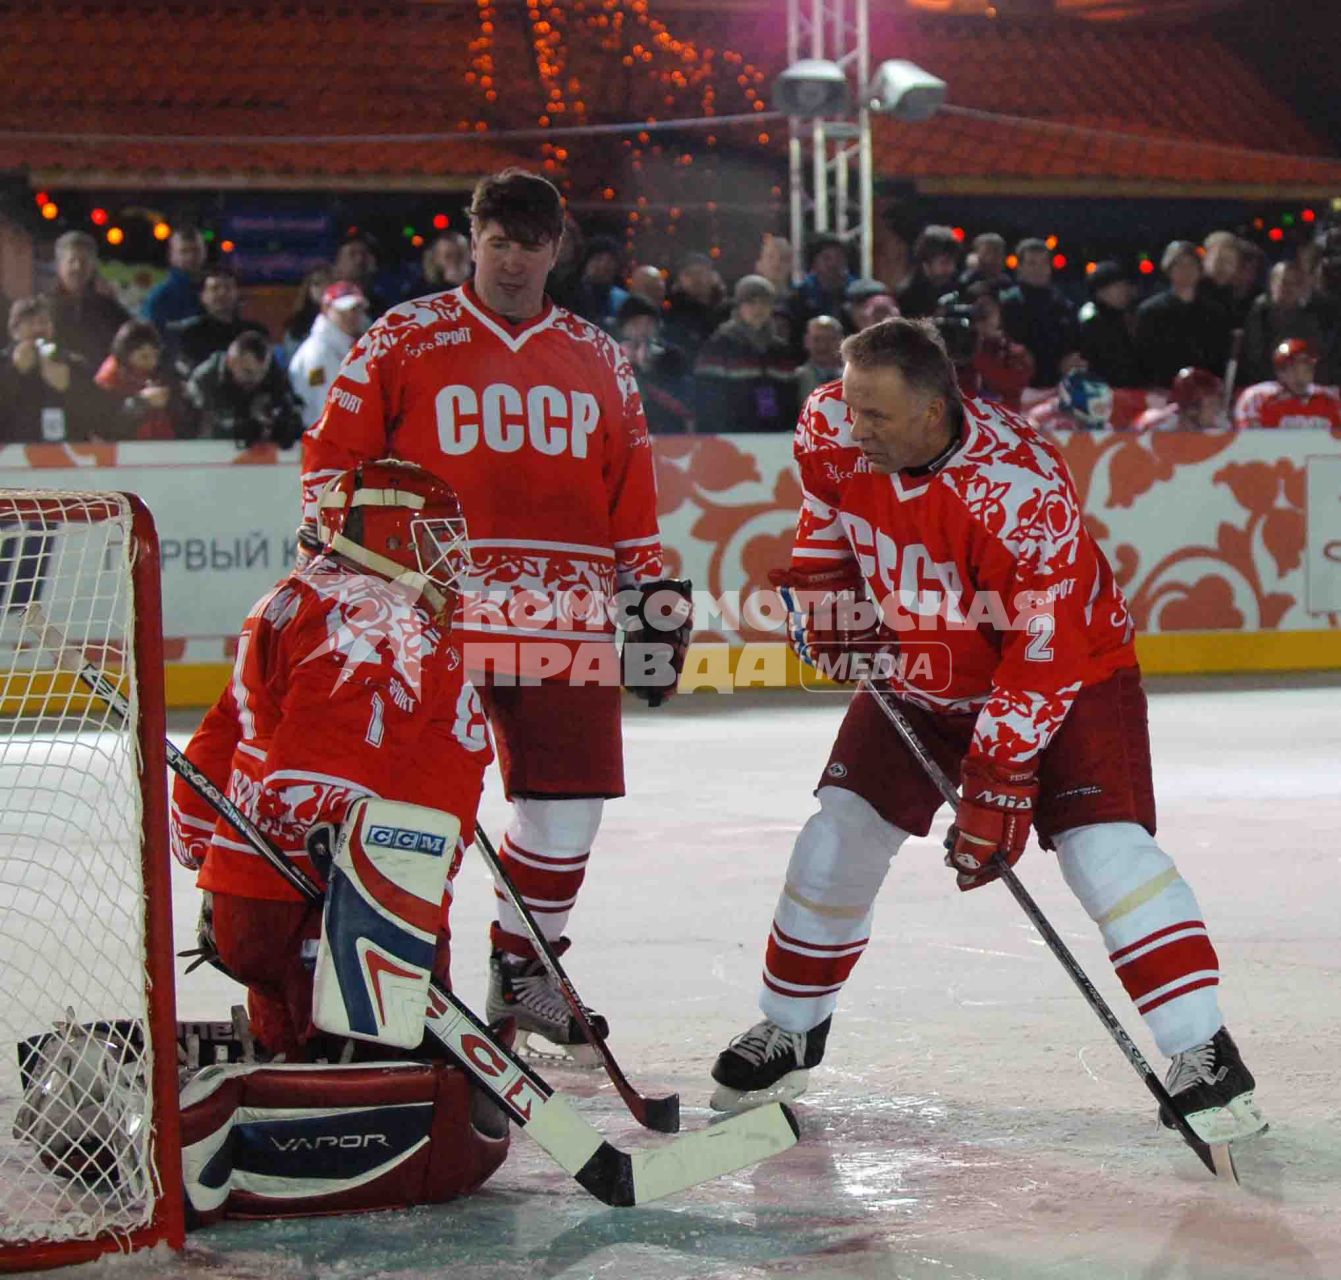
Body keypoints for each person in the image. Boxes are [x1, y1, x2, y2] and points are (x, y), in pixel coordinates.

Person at [708, 318, 1267, 1153]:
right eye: (850, 406)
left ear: (936, 411)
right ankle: (789, 1027)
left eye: (877, 417)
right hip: (921, 663)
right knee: (838, 833)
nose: (853, 428)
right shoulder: (832, 419)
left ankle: (1204, 1053)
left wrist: (997, 780)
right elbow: (824, 503)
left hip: (1068, 671)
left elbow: (1041, 653)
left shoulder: (1020, 487)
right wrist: (828, 588)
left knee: (1101, 851)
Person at [301, 167, 692, 1056]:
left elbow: (629, 487)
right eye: (499, 241)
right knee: (416, 810)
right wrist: (343, 582)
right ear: (472, 240)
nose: (513, 261)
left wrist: (649, 595)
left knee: (570, 810)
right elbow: (331, 465)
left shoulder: (598, 355)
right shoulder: (405, 336)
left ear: (558, 248)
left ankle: (523, 973)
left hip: (568, 617)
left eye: (532, 243)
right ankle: (400, 982)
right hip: (432, 617)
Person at [169, 460, 509, 1211]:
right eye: (431, 534)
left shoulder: (292, 600)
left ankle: (263, 1100)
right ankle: (274, 1145)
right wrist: (343, 856)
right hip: (347, 901)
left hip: (251, 884)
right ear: (378, 532)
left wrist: (202, 835)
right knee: (367, 1059)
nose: (448, 553)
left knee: (292, 1033)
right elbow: (324, 767)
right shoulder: (374, 612)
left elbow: (226, 733)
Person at [694, 274, 798, 433]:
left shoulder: (780, 350)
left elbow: (790, 398)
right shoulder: (719, 345)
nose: (758, 308)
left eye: (764, 302)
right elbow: (708, 400)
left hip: (775, 437)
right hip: (733, 438)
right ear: (738, 306)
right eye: (751, 302)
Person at [0, 296, 100, 444]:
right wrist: (14, 372)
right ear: (14, 330)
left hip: (64, 453)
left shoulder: (73, 364)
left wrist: (69, 388)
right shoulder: (3, 363)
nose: (38, 329)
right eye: (30, 323)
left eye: (43, 322)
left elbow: (98, 416)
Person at [1134, 241, 1230, 388]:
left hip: (1206, 394)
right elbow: (1145, 359)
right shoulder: (1151, 312)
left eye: (1191, 264)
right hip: (1166, 393)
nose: (1186, 270)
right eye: (1179, 265)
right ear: (1169, 270)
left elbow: (1220, 357)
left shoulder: (1214, 312)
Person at [186, 330, 303, 448]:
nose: (257, 379)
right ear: (231, 362)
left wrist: (283, 426)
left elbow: (292, 410)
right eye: (248, 372)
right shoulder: (205, 379)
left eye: (262, 372)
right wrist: (239, 429)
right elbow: (198, 426)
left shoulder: (273, 373)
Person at [93, 318, 193, 441]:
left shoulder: (163, 374)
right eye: (144, 356)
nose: (152, 362)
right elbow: (106, 427)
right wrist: (141, 403)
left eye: (155, 355)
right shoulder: (108, 381)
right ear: (125, 355)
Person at [287, 281, 369, 429]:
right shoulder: (318, 353)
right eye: (344, 309)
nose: (351, 315)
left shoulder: (355, 347)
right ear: (326, 308)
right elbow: (324, 408)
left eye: (357, 309)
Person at [44, 230, 130, 369]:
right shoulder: (43, 308)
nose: (78, 267)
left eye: (84, 262)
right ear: (59, 265)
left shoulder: (110, 310)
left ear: (93, 266)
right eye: (72, 261)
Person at [1000, 238, 1079, 388]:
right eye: (1032, 263)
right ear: (1020, 267)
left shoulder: (1063, 305)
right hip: (1019, 387)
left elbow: (1073, 343)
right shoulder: (1008, 304)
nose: (1039, 269)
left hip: (1058, 388)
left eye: (1044, 263)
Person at [167, 268, 269, 380]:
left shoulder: (255, 332)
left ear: (237, 293)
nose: (222, 293)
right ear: (202, 296)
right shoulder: (188, 333)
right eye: (214, 288)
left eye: (228, 288)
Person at [614, 295, 693, 434]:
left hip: (667, 434)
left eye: (649, 323)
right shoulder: (610, 356)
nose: (643, 329)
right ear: (623, 328)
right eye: (636, 323)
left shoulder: (673, 356)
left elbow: (684, 399)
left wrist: (649, 369)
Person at [1233, 338, 1341, 430]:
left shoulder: (1331, 399)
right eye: (1292, 367)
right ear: (1280, 372)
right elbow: (1249, 441)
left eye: (1306, 365)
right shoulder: (1257, 398)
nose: (1300, 372)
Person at [1077, 261, 1141, 388]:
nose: (1124, 291)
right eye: (1117, 286)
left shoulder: (1131, 319)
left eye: (1124, 285)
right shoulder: (1091, 325)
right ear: (1101, 292)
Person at [141, 225, 208, 332]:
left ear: (204, 253)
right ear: (172, 256)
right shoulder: (159, 298)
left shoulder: (214, 291)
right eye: (184, 251)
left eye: (196, 250)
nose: (191, 257)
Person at [895, 225, 961, 320]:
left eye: (953, 262)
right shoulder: (906, 297)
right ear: (926, 263)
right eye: (944, 263)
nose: (951, 269)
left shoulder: (955, 288)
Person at [1135, 367, 1228, 432]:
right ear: (1193, 409)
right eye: (1212, 404)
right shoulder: (1160, 428)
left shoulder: (1221, 427)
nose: (1217, 409)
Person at [1027, 368, 1114, 433]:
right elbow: (1031, 422)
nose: (1102, 410)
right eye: (1097, 406)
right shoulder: (1045, 415)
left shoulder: (1103, 427)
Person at [281, 264, 334, 360]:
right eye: (317, 283)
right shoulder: (296, 325)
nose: (323, 287)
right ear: (308, 289)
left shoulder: (352, 316)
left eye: (328, 282)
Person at [794, 315, 845, 403]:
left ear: (841, 342)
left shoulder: (857, 378)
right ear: (807, 342)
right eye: (816, 339)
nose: (823, 346)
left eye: (830, 339)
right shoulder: (796, 380)